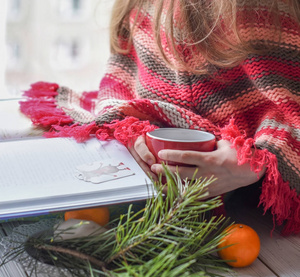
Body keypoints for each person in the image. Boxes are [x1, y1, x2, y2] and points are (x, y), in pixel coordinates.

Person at [21, 0, 300, 235]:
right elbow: (127, 79)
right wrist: (132, 134)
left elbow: (290, 100)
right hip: (154, 207)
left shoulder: (264, 11)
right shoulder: (146, 8)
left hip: (262, 220)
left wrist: (258, 163)